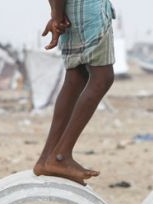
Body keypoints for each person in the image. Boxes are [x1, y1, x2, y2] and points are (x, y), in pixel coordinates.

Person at [33, 0, 115, 185]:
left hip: (73, 12)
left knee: (76, 77)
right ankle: (60, 156)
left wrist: (57, 15)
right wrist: (56, 15)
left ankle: (48, 158)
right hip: (89, 11)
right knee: (102, 78)